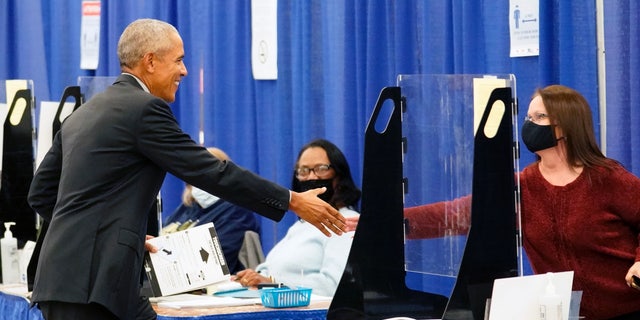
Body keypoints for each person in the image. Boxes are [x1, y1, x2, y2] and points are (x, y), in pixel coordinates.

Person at [27, 19, 345, 320]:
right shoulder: (144, 109)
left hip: (59, 279)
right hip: (97, 285)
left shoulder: (84, 113)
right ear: (150, 61)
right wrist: (292, 200)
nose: (185, 70)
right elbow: (212, 172)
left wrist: (112, 233)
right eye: (178, 60)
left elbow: (41, 193)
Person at [403, 85, 640, 319]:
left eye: (540, 117)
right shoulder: (521, 186)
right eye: (527, 117)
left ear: (567, 125)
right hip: (565, 314)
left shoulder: (606, 178)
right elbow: (456, 214)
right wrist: (383, 222)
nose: (529, 124)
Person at [233, 139, 361, 297]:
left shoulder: (348, 222)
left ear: (339, 176)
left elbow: (335, 286)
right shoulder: (301, 226)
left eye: (321, 169)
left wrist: (273, 284)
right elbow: (270, 270)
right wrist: (252, 277)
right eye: (303, 171)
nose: (310, 177)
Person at [161, 147, 260, 274]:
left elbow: (215, 259)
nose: (198, 179)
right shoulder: (187, 208)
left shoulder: (236, 211)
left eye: (205, 172)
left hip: (212, 287)